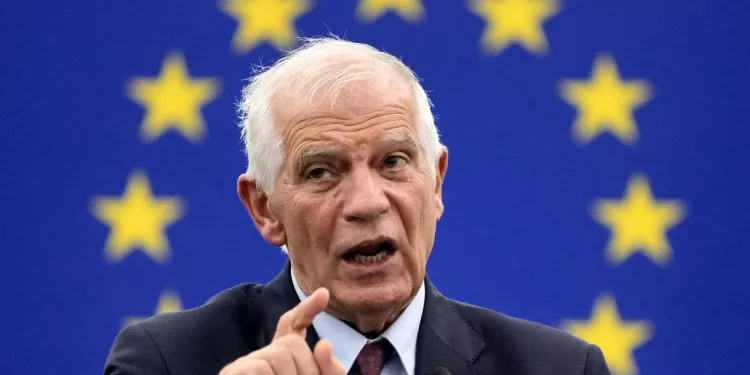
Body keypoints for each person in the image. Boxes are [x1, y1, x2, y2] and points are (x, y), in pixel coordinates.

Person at [104, 37, 611, 375]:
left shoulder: (561, 368)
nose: (367, 203)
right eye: (321, 171)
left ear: (435, 183)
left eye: (393, 161)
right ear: (264, 208)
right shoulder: (166, 361)